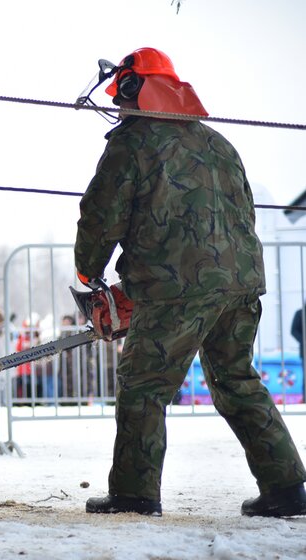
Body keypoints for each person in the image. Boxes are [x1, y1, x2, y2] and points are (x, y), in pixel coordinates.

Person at [75, 47, 306, 517]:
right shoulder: (218, 142)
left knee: (144, 385)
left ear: (138, 90)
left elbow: (102, 216)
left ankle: (134, 494)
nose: (119, 106)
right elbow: (240, 210)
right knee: (236, 379)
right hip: (240, 283)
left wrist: (89, 272)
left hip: (177, 288)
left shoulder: (132, 143)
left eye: (122, 94)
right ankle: (287, 487)